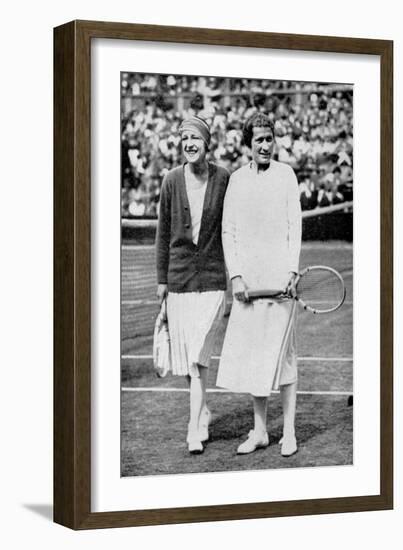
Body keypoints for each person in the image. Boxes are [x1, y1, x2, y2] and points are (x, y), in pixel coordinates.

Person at [217, 112, 302, 457]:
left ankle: (291, 433)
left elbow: (294, 226)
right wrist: (235, 274)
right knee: (255, 358)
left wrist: (292, 271)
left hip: (281, 282)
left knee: (284, 357)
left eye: (269, 139)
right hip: (249, 285)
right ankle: (261, 431)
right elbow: (228, 231)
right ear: (248, 145)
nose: (265, 146)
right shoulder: (237, 180)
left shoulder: (287, 176)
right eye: (259, 141)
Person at [156, 115, 230, 454]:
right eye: (184, 137)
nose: (189, 143)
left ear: (206, 142)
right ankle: (202, 412)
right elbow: (162, 236)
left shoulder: (224, 178)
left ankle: (193, 429)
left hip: (214, 281)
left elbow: (233, 228)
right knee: (191, 361)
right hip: (180, 280)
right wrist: (161, 281)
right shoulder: (171, 180)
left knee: (198, 355)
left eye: (195, 138)